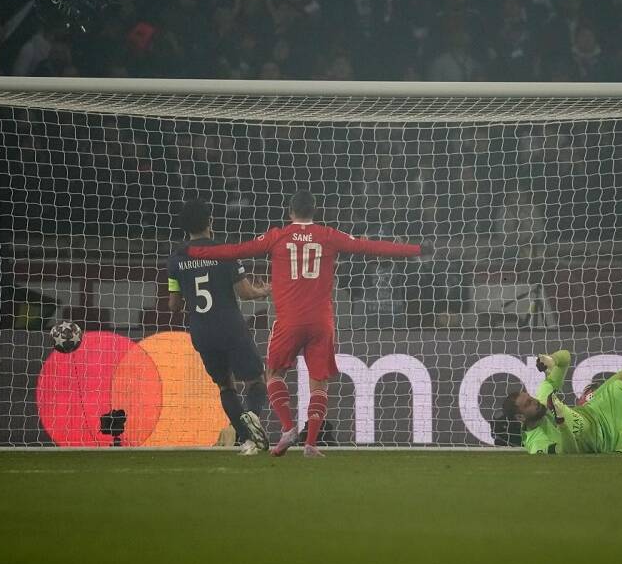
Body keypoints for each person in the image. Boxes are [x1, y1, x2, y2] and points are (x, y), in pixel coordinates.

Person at [188, 190, 429, 457]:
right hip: (320, 322)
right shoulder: (328, 235)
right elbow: (369, 247)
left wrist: (195, 251)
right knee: (319, 383)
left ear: (290, 212)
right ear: (314, 211)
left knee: (274, 374)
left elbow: (236, 250)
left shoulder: (277, 236)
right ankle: (311, 444)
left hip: (289, 321)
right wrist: (415, 249)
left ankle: (288, 428)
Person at [167, 199, 271, 456]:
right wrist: (264, 290)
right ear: (210, 222)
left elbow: (174, 305)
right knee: (256, 380)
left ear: (184, 227)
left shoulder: (176, 259)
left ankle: (245, 438)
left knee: (226, 386)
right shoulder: (225, 251)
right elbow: (245, 292)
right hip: (230, 327)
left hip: (202, 331)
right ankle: (252, 428)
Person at [501, 349, 622, 455]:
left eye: (530, 398)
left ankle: (587, 402)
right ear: (520, 417)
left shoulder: (544, 395)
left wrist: (552, 359)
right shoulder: (537, 444)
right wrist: (561, 423)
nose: (535, 402)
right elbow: (570, 453)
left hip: (598, 411)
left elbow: (566, 358)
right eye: (528, 404)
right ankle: (615, 435)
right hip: (605, 443)